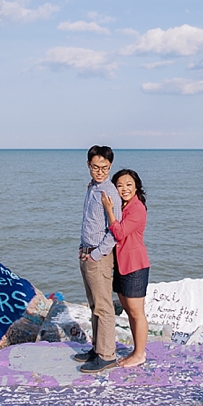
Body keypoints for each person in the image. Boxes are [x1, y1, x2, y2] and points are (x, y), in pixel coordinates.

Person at [75, 145, 122, 373]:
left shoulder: (109, 192)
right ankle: (97, 349)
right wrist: (83, 249)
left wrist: (94, 254)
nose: (100, 171)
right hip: (86, 252)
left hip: (98, 256)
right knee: (94, 305)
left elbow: (115, 231)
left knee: (103, 307)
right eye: (95, 167)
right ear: (88, 166)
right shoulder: (92, 187)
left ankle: (107, 355)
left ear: (110, 167)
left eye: (104, 168)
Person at [101, 169, 150, 368]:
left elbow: (120, 233)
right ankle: (136, 350)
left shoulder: (137, 209)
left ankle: (140, 354)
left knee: (137, 313)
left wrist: (109, 210)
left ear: (136, 186)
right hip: (121, 265)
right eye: (120, 185)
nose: (124, 189)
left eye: (129, 184)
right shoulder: (124, 205)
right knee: (129, 312)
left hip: (135, 266)